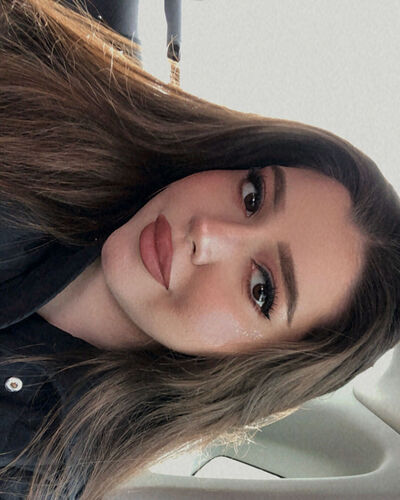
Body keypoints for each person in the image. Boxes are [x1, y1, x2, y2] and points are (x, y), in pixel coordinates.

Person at [0, 0, 399, 499]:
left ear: (258, 366)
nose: (208, 234)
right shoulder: (68, 82)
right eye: (252, 197)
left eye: (261, 289)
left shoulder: (35, 464)